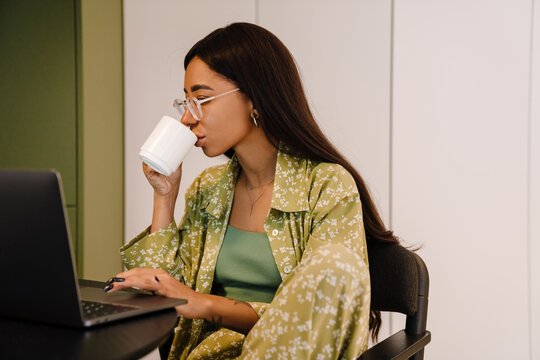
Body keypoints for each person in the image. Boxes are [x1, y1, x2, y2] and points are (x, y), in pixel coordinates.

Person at [105, 22, 399, 360]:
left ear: (255, 98)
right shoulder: (208, 191)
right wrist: (164, 195)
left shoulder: (327, 186)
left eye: (201, 99)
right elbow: (163, 296)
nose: (187, 118)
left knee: (335, 264)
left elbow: (321, 304)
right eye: (185, 102)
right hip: (208, 355)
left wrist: (203, 304)